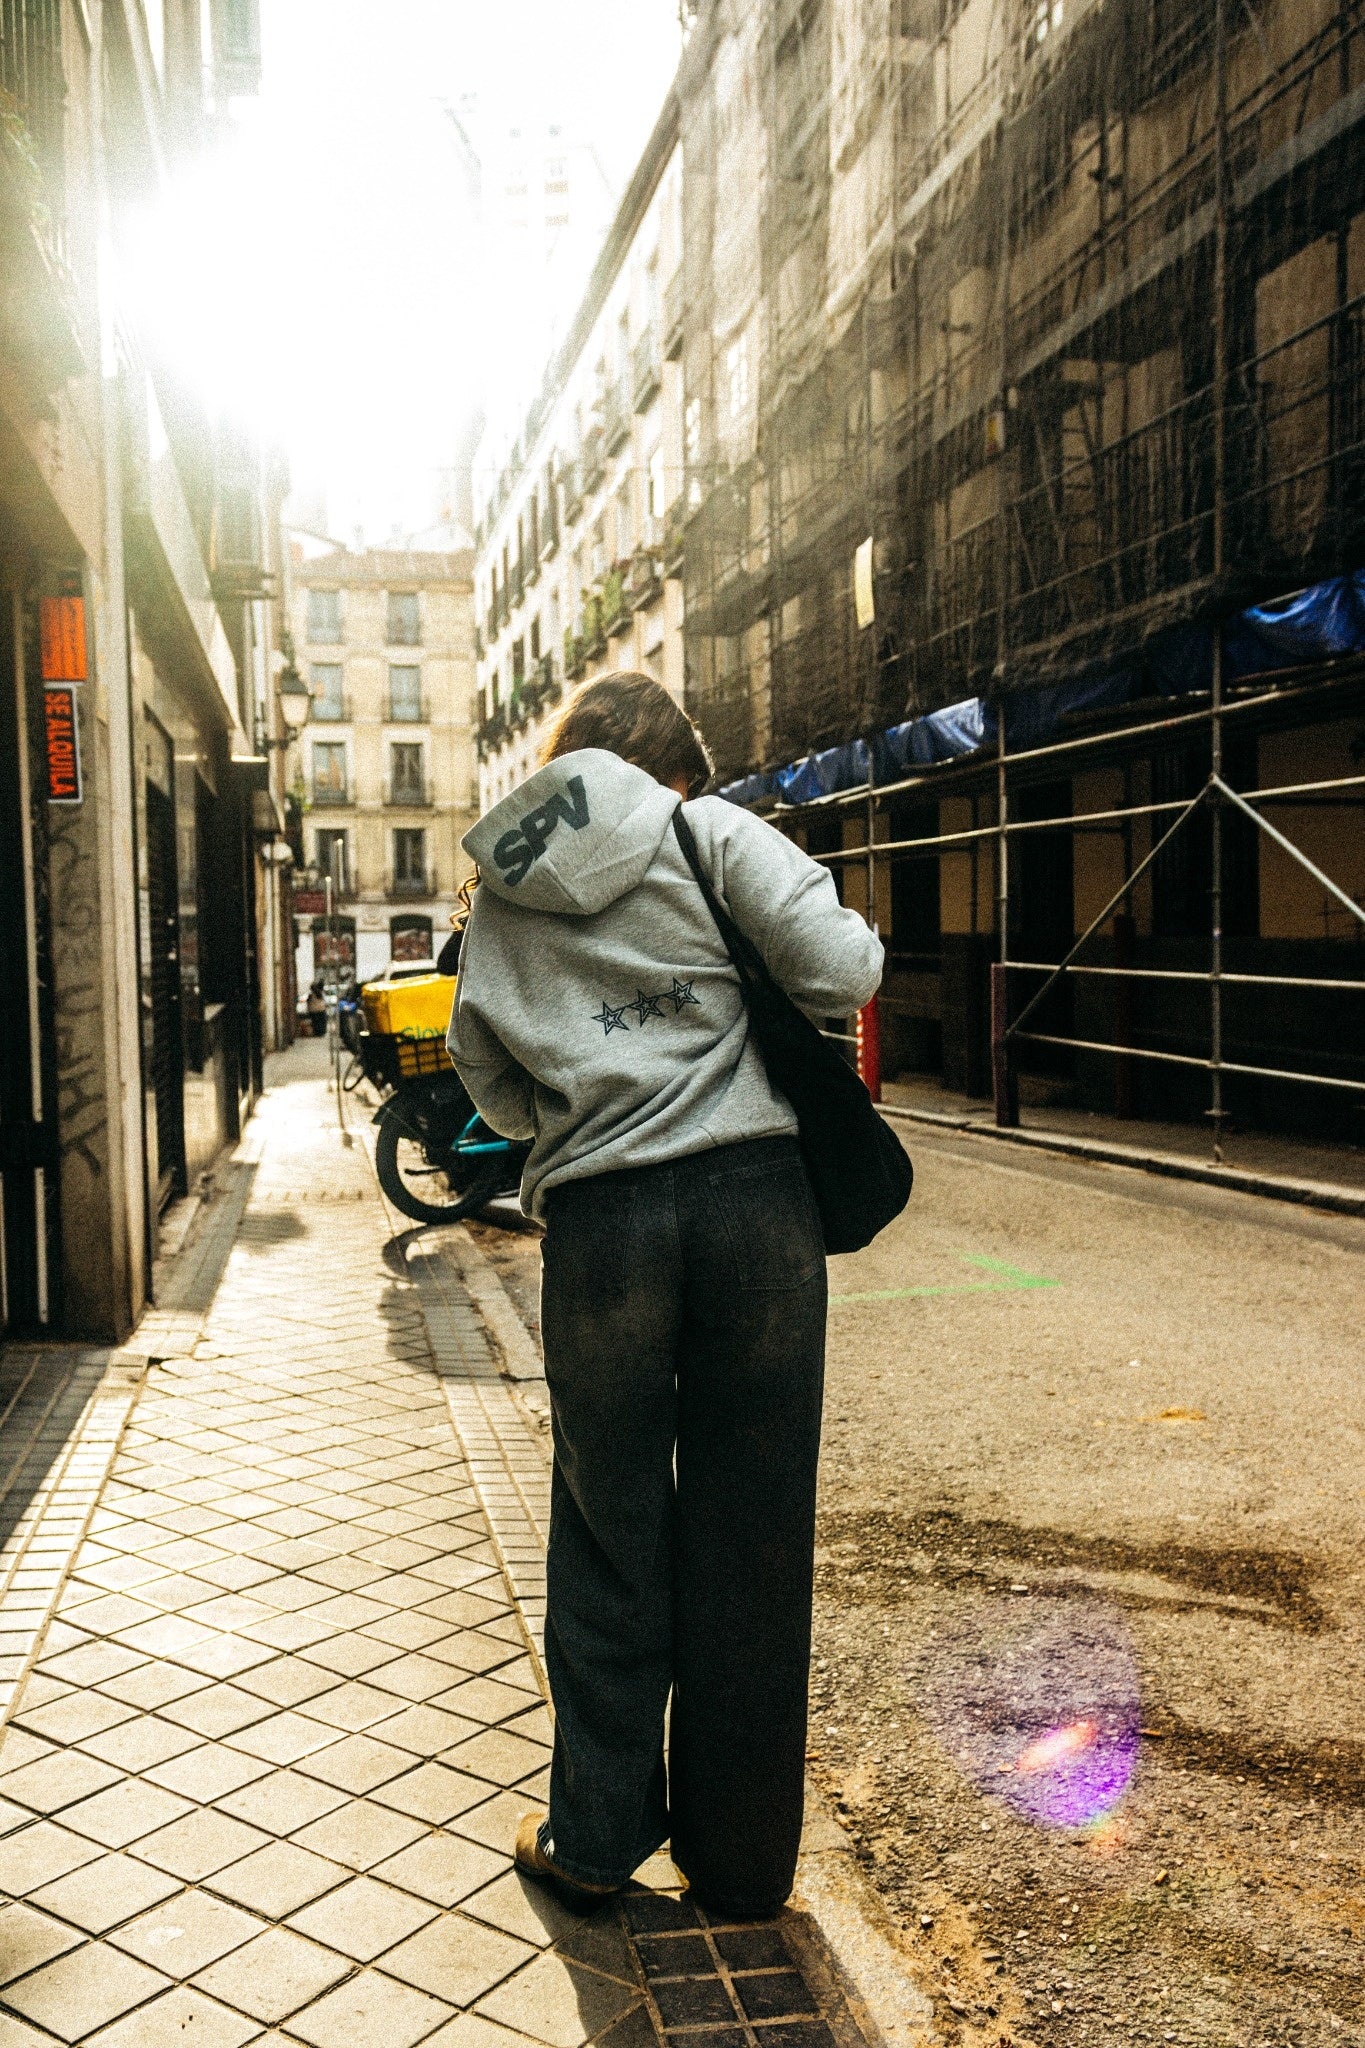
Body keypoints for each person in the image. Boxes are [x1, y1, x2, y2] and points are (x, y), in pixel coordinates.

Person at [447, 671, 883, 1920]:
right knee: (752, 1531)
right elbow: (843, 969)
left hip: (602, 1229)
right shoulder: (709, 831)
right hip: (756, 1212)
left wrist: (586, 1117)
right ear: (668, 766)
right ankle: (740, 1860)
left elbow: (487, 1073)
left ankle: (592, 1835)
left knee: (606, 1530)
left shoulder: (502, 888)